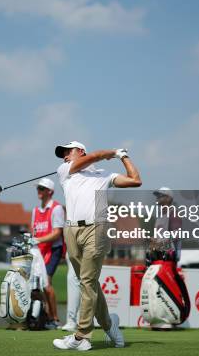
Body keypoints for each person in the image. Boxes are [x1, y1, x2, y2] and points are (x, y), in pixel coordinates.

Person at [52, 141, 142, 351]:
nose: (64, 156)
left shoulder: (105, 175)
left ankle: (82, 336)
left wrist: (123, 157)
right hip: (71, 230)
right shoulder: (65, 170)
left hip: (97, 229)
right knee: (88, 283)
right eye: (63, 153)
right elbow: (94, 156)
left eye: (68, 151)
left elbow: (135, 180)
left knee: (87, 280)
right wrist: (111, 152)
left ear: (80, 151)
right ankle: (110, 326)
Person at [29, 178, 65, 329]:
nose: (39, 191)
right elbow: (34, 232)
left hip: (53, 249)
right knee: (35, 287)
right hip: (39, 251)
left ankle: (55, 319)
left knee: (47, 284)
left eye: (42, 189)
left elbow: (57, 233)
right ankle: (45, 316)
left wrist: (38, 240)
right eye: (38, 188)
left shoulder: (56, 208)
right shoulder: (35, 211)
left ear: (50, 192)